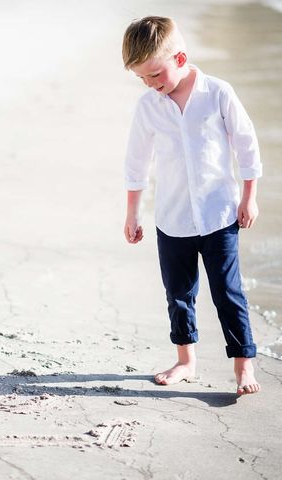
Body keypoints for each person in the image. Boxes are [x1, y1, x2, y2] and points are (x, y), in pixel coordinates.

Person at [121, 16, 262, 395]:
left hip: (220, 215)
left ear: (180, 58)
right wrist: (133, 212)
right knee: (179, 294)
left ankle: (243, 365)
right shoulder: (149, 107)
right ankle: (186, 360)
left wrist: (249, 196)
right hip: (173, 218)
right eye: (142, 79)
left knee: (228, 292)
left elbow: (245, 144)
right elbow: (137, 163)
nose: (151, 84)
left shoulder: (218, 93)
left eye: (155, 75)